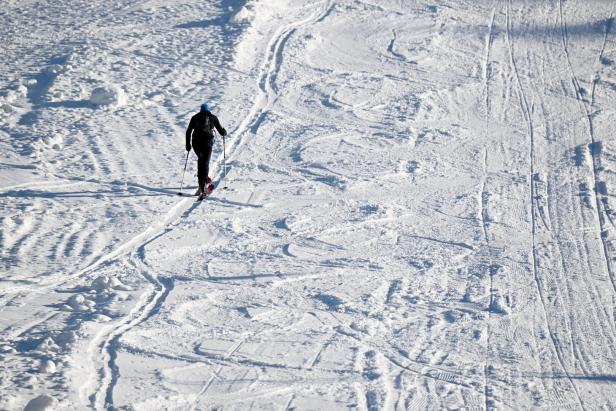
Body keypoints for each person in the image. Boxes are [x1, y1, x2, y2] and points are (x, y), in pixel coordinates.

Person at [185, 103, 227, 194]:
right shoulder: (212, 117)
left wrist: (188, 145)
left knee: (201, 161)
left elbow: (188, 131)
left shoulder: (194, 117)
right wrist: (224, 132)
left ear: (200, 110)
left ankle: (202, 183)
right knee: (205, 162)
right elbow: (221, 132)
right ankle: (204, 183)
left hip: (196, 143)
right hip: (207, 142)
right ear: (208, 109)